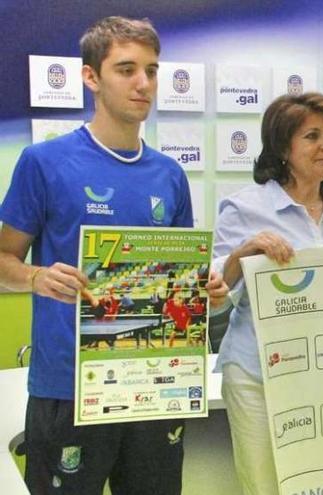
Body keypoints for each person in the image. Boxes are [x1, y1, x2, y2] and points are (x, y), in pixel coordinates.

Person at [0, 16, 227, 495]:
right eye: (126, 69)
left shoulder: (169, 174)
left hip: (155, 384)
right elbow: (4, 260)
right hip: (70, 387)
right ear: (90, 77)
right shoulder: (44, 163)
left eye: (152, 69)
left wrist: (205, 289)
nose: (144, 83)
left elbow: (179, 281)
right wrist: (37, 277)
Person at [212, 92, 323, 495]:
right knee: (264, 485)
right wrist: (243, 253)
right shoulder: (244, 209)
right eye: (312, 136)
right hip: (257, 375)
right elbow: (214, 299)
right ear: (282, 147)